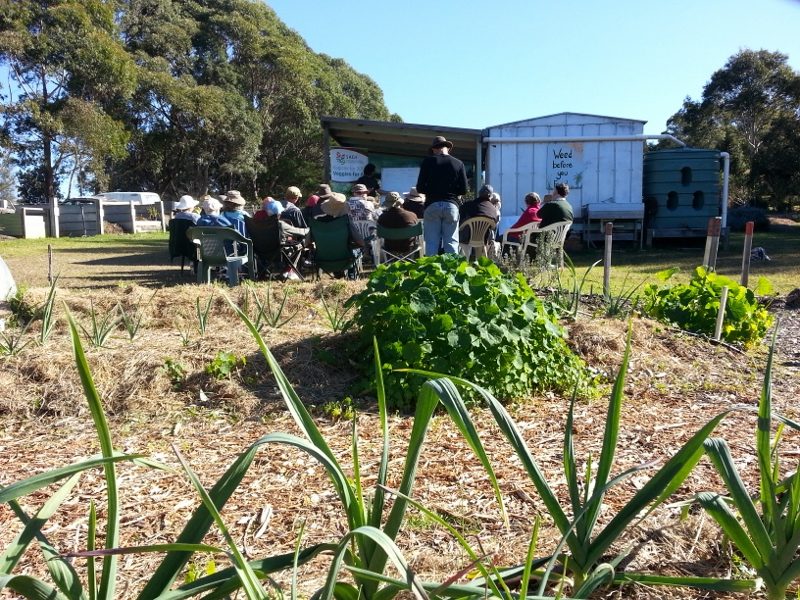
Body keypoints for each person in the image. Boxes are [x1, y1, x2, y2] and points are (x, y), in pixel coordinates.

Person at [416, 135, 468, 255]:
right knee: (451, 242)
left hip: (432, 205)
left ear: (434, 149)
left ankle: (431, 272)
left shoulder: (427, 162)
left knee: (431, 243)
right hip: (451, 206)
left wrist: (432, 190)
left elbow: (420, 188)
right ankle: (452, 271)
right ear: (447, 148)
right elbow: (464, 190)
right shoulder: (458, 163)